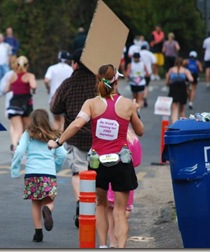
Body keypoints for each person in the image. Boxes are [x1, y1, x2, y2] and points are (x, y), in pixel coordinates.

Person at [48, 64, 144, 248]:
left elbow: (76, 125)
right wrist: (135, 111)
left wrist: (58, 142)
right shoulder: (127, 104)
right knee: (120, 211)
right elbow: (140, 131)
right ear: (117, 80)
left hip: (97, 162)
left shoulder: (91, 104)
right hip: (121, 162)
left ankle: (103, 245)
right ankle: (121, 247)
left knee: (100, 206)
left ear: (98, 80)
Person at [50, 48, 97, 228]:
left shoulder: (68, 84)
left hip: (75, 136)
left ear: (75, 64)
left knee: (78, 172)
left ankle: (81, 203)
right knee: (96, 173)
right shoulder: (97, 82)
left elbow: (54, 107)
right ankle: (94, 205)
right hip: (97, 136)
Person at [11, 109, 67, 242]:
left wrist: (15, 169)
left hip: (32, 174)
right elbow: (63, 154)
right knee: (49, 200)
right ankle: (47, 209)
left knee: (35, 203)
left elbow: (19, 151)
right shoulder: (53, 136)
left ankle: (38, 233)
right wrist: (57, 167)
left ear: (32, 120)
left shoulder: (28, 134)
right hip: (48, 173)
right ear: (47, 120)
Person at [107, 128, 142, 248]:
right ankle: (120, 242)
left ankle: (112, 242)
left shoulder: (108, 134)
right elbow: (136, 162)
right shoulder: (132, 138)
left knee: (109, 211)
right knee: (123, 212)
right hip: (125, 178)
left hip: (109, 179)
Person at [4, 55, 37, 153]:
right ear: (27, 65)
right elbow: (33, 85)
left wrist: (13, 87)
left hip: (14, 104)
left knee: (16, 127)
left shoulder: (12, 76)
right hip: (26, 104)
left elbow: (6, 89)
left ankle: (14, 145)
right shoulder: (30, 76)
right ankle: (24, 147)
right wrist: (32, 89)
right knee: (26, 128)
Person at [44, 51, 73, 131]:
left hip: (54, 95)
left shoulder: (52, 68)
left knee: (56, 119)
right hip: (66, 96)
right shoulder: (70, 69)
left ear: (58, 58)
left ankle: (55, 137)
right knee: (64, 119)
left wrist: (48, 88)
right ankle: (61, 139)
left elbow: (46, 80)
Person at [165, 57, 193, 124]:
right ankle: (183, 124)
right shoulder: (185, 70)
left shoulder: (171, 70)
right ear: (182, 63)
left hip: (173, 89)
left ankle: (174, 123)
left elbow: (167, 82)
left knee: (174, 108)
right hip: (182, 89)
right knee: (182, 110)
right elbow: (191, 79)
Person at [0, 58, 17, 154]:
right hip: (20, 103)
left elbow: (2, 88)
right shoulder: (24, 74)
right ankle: (18, 144)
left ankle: (14, 144)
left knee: (13, 124)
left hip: (10, 103)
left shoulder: (8, 75)